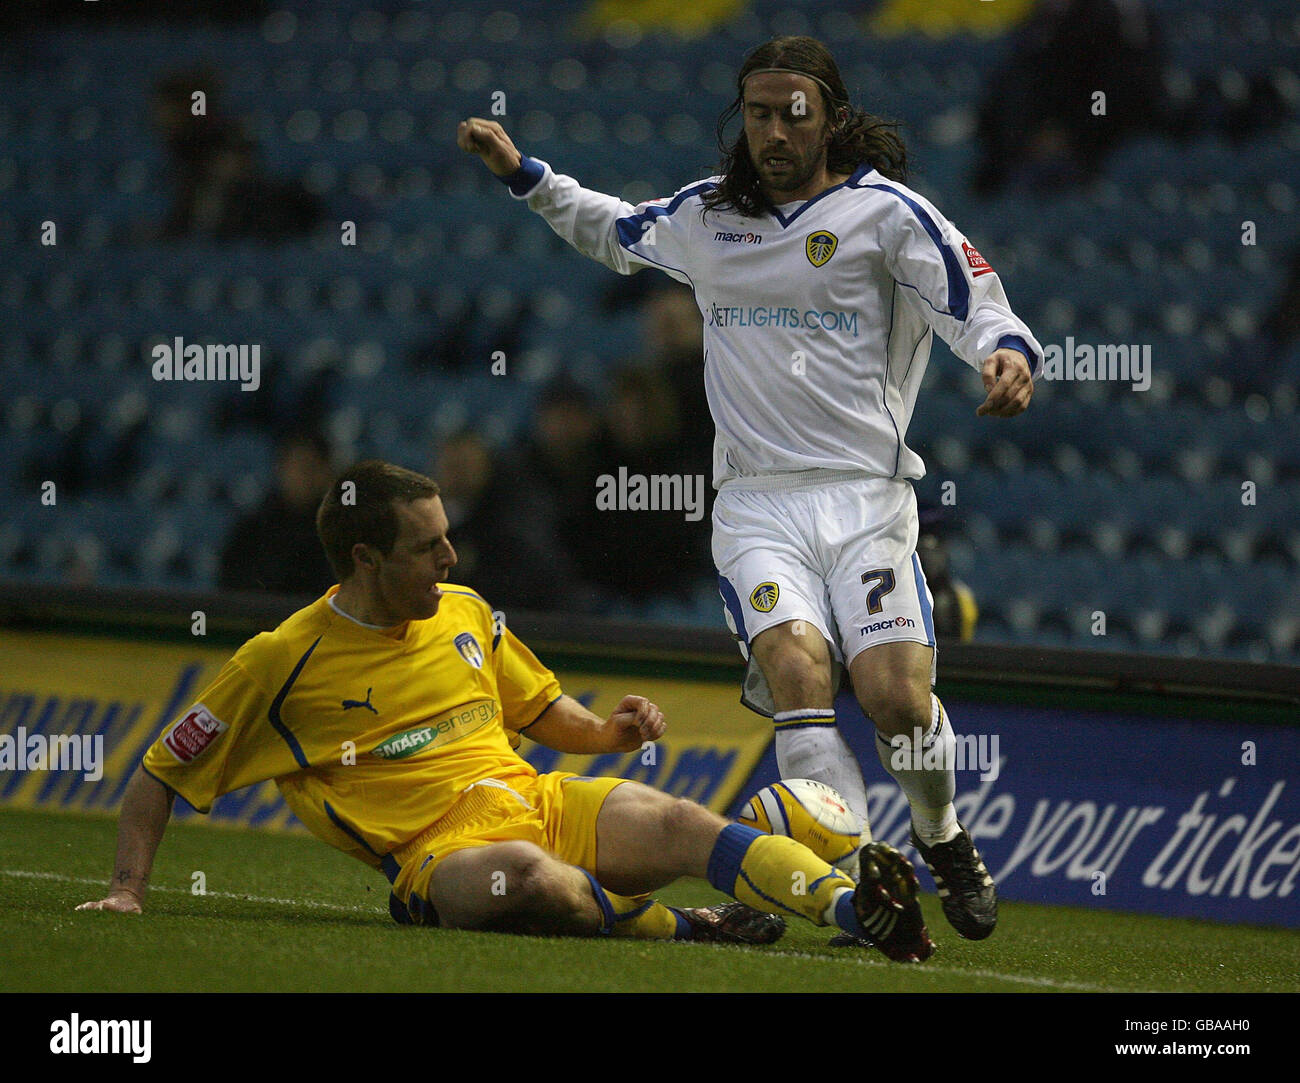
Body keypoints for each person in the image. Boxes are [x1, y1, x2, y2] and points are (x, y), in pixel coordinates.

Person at [458, 34, 1044, 944]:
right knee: (801, 676)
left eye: (792, 112)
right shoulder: (709, 219)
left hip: (867, 497)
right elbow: (611, 229)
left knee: (895, 699)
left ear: (832, 119)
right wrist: (523, 174)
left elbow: (976, 298)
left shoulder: (887, 217)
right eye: (759, 113)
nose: (773, 130)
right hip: (757, 505)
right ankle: (836, 884)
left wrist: (1008, 354)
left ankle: (942, 834)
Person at [77, 460, 935, 962]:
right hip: (436, 858)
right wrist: (126, 891)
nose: (451, 555)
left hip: (537, 798)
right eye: (428, 547)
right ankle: (690, 925)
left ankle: (860, 910)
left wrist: (606, 733)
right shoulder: (280, 660)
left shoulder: (464, 608)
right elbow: (159, 773)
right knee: (521, 876)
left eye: (449, 535)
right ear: (367, 558)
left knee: (678, 819)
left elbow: (541, 706)